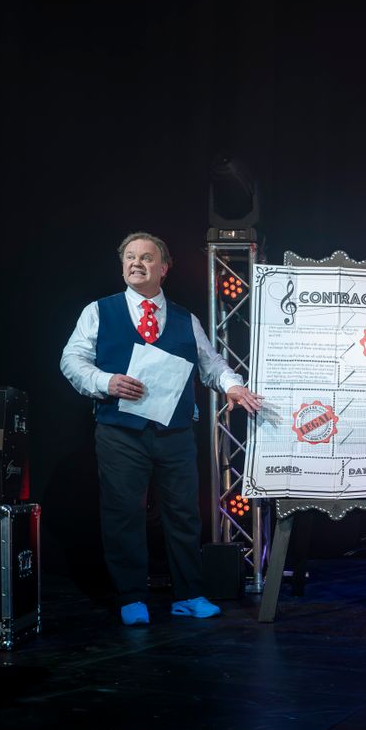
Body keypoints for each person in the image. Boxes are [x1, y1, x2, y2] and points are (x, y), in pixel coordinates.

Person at [60, 232, 263, 626]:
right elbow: (72, 360)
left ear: (164, 268)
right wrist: (105, 382)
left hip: (174, 433)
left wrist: (233, 385)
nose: (137, 263)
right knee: (123, 514)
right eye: (130, 257)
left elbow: (212, 365)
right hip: (120, 431)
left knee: (184, 514)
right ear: (122, 266)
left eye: (147, 257)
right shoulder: (100, 311)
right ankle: (131, 597)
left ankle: (189, 594)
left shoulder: (186, 318)